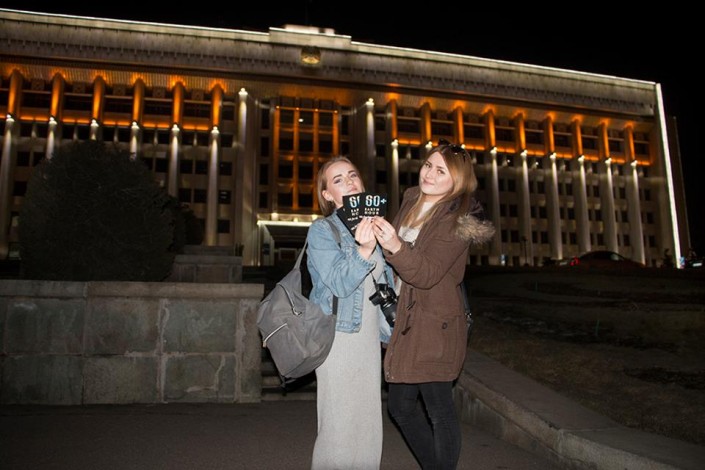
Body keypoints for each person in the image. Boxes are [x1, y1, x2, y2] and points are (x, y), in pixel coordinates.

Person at [372, 141, 495, 469]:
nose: (429, 174)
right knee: (400, 407)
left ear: (457, 180)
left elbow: (426, 274)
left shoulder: (457, 218)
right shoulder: (412, 200)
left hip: (435, 324)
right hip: (407, 318)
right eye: (428, 165)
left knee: (439, 410)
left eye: (441, 171)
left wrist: (395, 245)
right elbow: (395, 263)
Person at [306, 156, 395, 469]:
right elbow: (339, 283)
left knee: (368, 423)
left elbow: (384, 285)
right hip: (338, 337)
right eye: (338, 180)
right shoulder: (322, 230)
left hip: (369, 337)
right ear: (328, 195)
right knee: (338, 425)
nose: (349, 182)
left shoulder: (376, 228)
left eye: (353, 175)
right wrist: (364, 250)